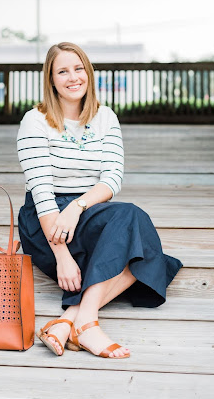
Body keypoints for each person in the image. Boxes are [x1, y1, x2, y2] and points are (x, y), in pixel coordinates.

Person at [16, 42, 183, 359]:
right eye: (62, 71)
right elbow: (41, 194)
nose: (73, 77)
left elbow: (112, 179)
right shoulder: (34, 121)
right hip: (46, 224)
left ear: (88, 74)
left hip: (85, 212)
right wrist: (62, 255)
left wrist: (77, 207)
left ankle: (76, 321)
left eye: (78, 69)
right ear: (51, 80)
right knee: (148, 252)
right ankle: (83, 324)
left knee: (131, 218)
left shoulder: (105, 117)